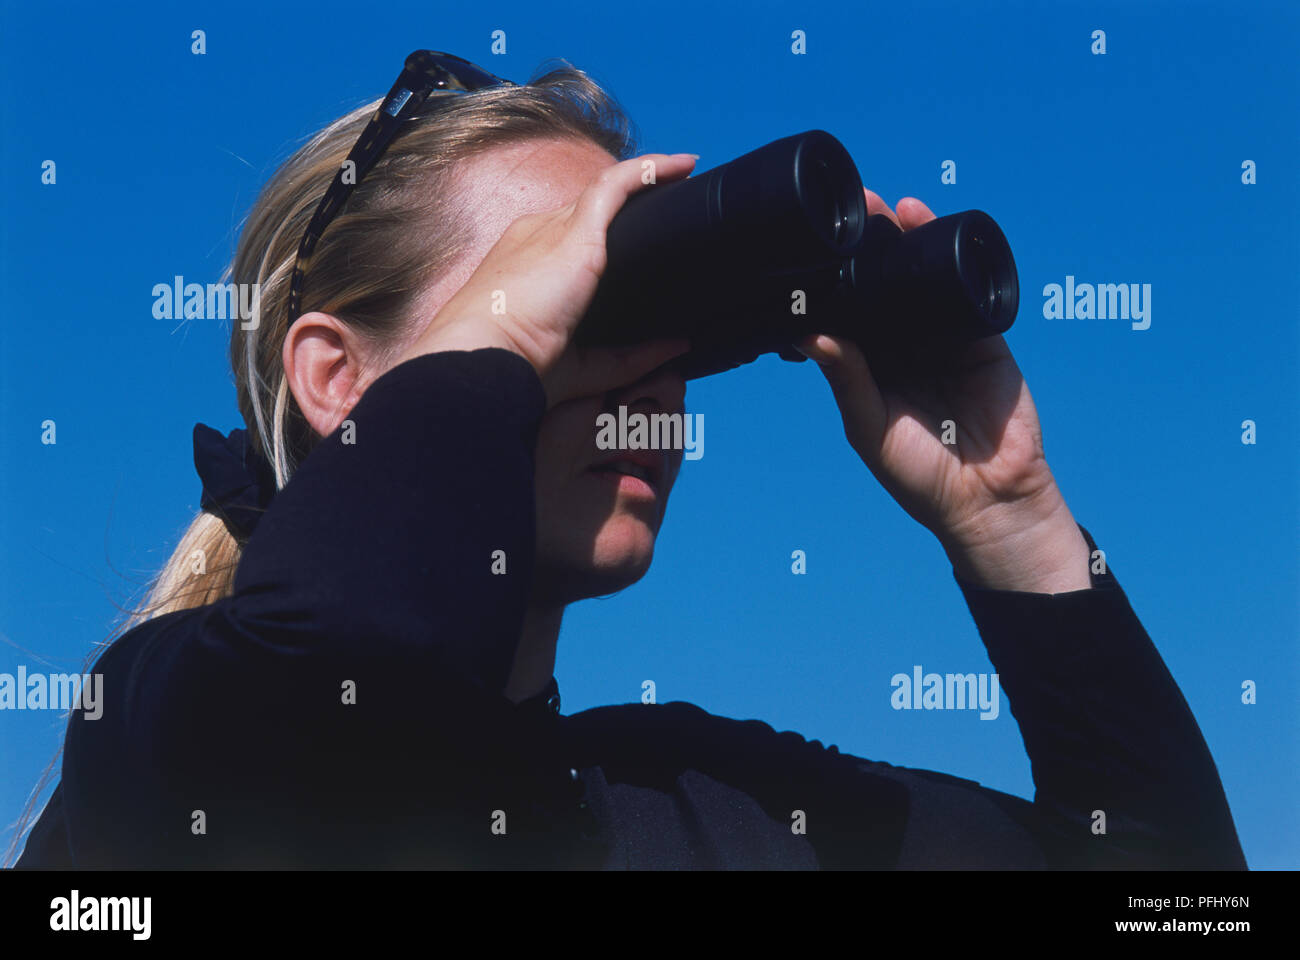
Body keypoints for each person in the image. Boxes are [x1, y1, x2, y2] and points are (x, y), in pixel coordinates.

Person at [9, 52, 1245, 869]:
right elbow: (351, 661)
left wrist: (1013, 523)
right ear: (337, 379)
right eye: (577, 301)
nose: (644, 374)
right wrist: (498, 350)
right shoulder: (163, 749)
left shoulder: (709, 809)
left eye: (662, 314)